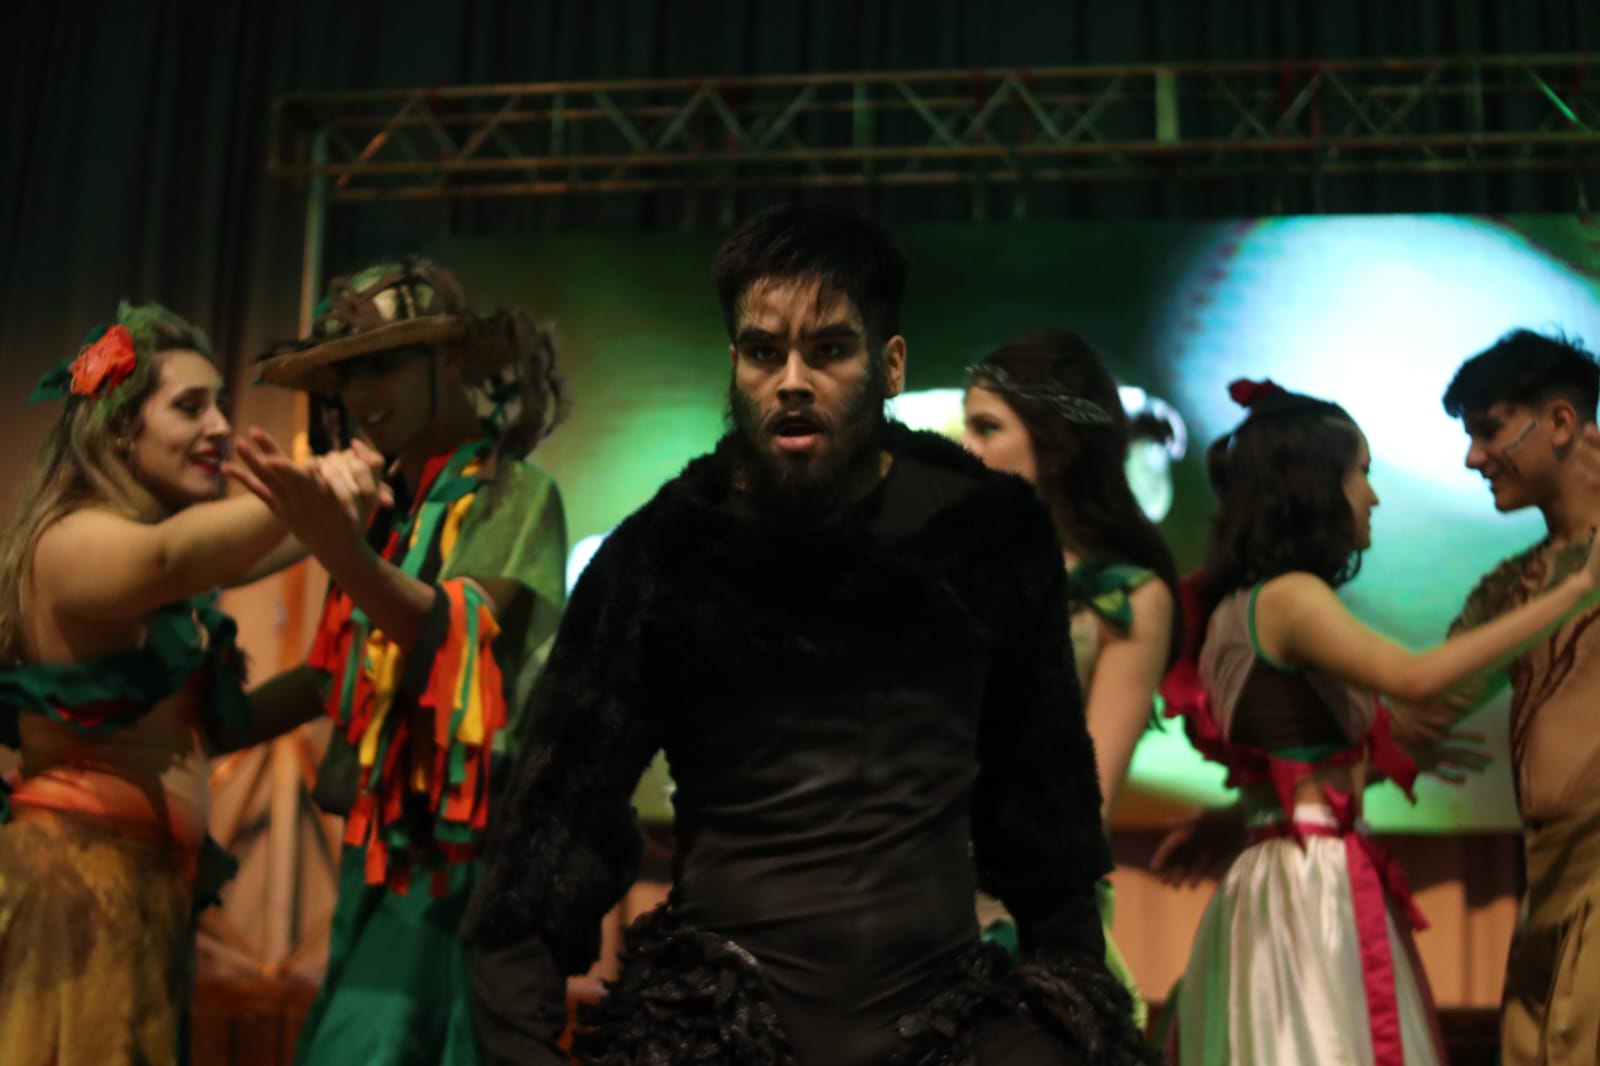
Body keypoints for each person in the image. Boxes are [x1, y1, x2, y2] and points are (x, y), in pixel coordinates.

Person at [461, 205, 1156, 1066]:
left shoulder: (987, 537)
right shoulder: (661, 557)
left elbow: (1046, 832)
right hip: (716, 1032)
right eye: (764, 353)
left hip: (945, 1023)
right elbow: (540, 854)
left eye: (828, 350)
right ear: (735, 365)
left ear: (891, 364)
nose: (792, 381)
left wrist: (1076, 1023)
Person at [1161, 378, 1600, 1066]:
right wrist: (1577, 588)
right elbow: (1416, 678)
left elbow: (1292, 761)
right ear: (1314, 488)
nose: (1372, 495)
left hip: (1291, 872)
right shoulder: (1290, 598)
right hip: (1312, 879)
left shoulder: (1247, 601)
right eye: (1360, 473)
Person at [0, 303, 380, 1065]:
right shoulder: (67, 540)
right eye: (190, 406)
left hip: (137, 896)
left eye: (222, 406)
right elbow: (172, 557)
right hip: (73, 897)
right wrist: (313, 485)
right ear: (118, 427)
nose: (220, 428)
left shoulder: (154, 576)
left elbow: (267, 554)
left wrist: (351, 510)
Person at [238, 258, 570, 1066]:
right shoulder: (391, 516)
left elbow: (453, 630)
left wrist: (341, 551)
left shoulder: (516, 494)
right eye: (347, 376)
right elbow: (335, 673)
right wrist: (200, 718)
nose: (361, 394)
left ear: (448, 358)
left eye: (383, 364)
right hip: (382, 854)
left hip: (466, 860)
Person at [962, 328, 1181, 1026]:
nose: (964, 447)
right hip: (908, 903)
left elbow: (1086, 807)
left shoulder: (1126, 597)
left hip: (1032, 920)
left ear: (1054, 446)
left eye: (986, 428)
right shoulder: (945, 573)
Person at [1436, 330, 1600, 1065]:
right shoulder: (1510, 588)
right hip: (1546, 891)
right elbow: (1419, 709)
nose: (1474, 458)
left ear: (1561, 422)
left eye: (1489, 430)